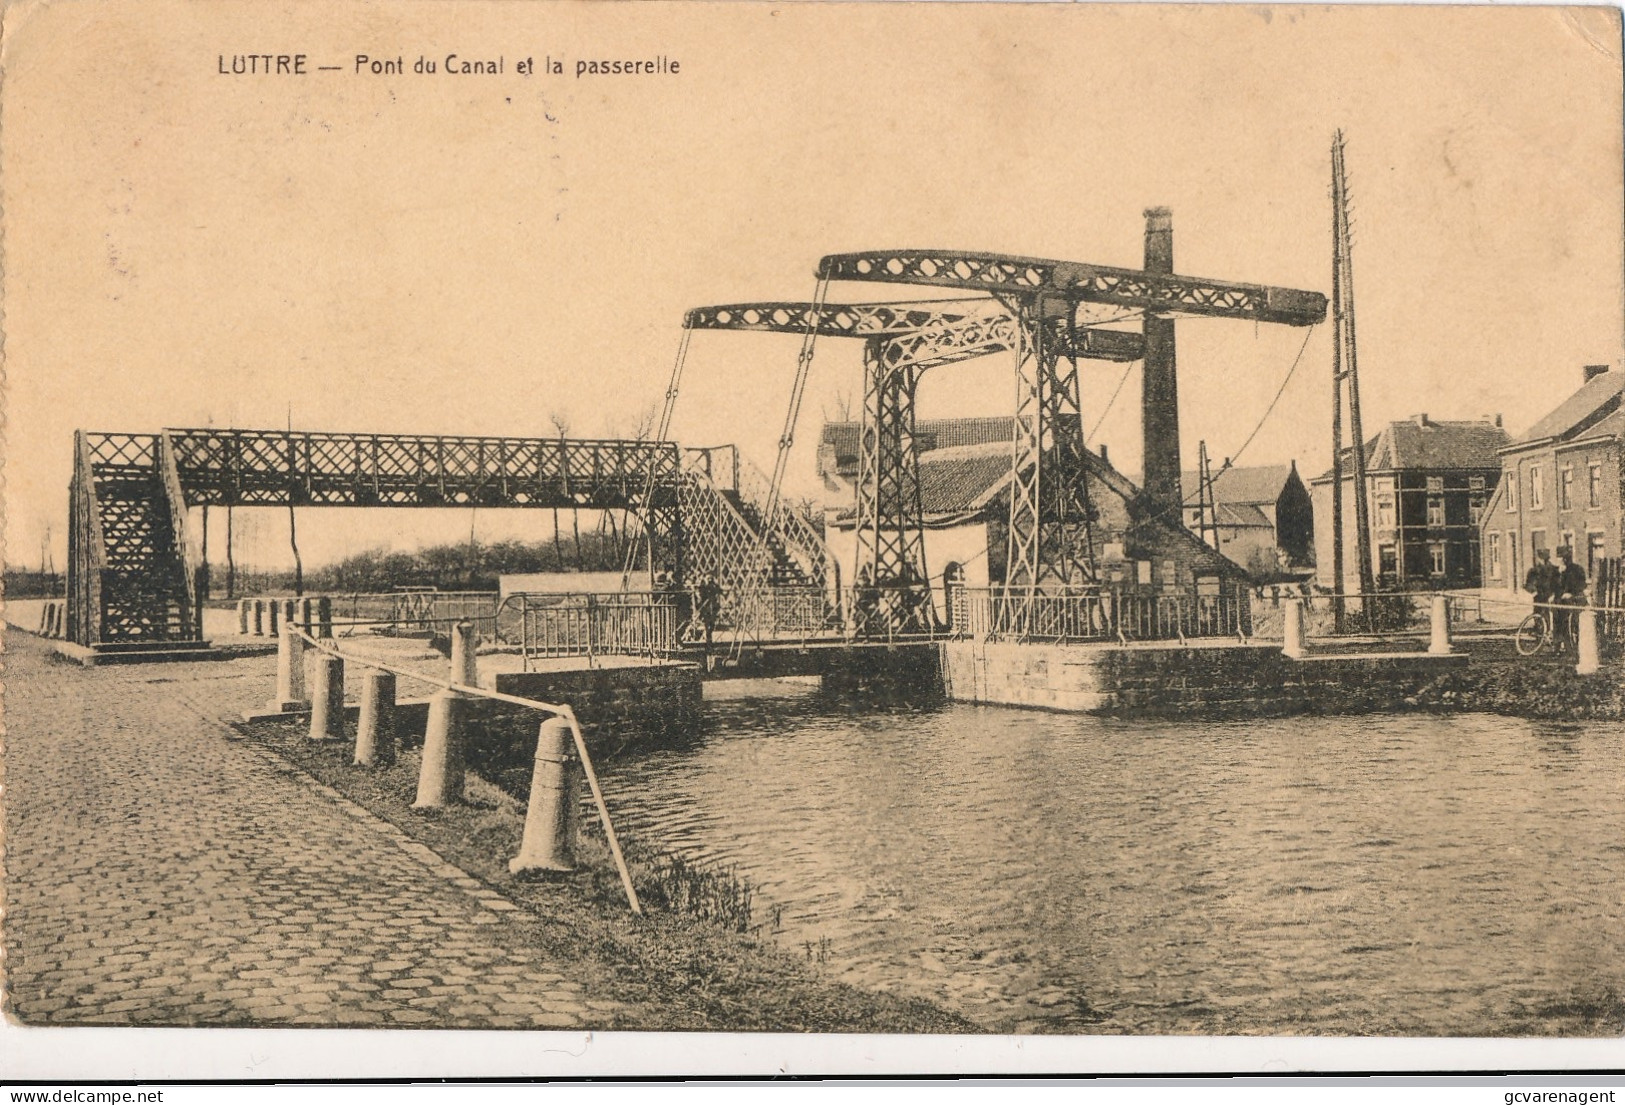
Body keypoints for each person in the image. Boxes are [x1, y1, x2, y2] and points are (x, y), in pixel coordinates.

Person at [1554, 546, 1589, 653]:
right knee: (1557, 623)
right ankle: (1557, 647)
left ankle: (1573, 647)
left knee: (1573, 623)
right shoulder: (1557, 571)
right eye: (1560, 557)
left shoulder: (1577, 569)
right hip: (1559, 601)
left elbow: (1581, 584)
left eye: (1565, 557)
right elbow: (1553, 585)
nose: (1563, 560)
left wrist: (1571, 594)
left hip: (1574, 601)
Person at [1524, 548, 1561, 641]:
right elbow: (1528, 584)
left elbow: (1558, 584)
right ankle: (1539, 636)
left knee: (1552, 616)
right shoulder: (1533, 571)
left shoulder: (1554, 570)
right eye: (1542, 559)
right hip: (1539, 597)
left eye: (1546, 559)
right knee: (1538, 616)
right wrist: (1533, 592)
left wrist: (1554, 594)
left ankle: (1552, 636)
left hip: (1551, 597)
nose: (1544, 561)